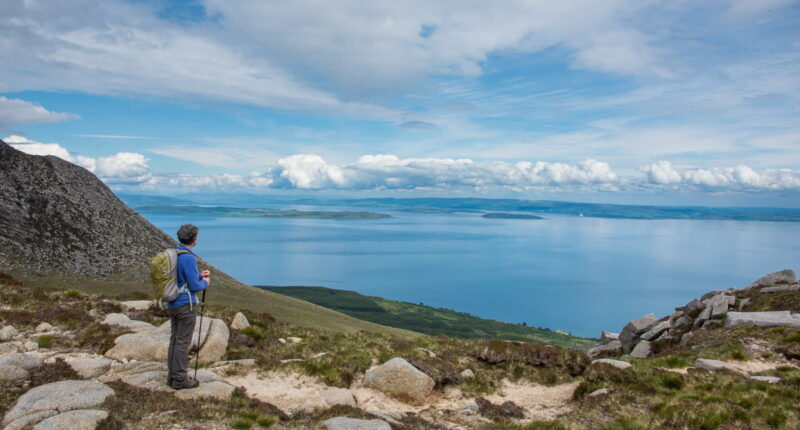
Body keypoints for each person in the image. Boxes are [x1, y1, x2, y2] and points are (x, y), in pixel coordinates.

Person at [167, 224, 210, 389]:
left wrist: (199, 275)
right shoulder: (189, 257)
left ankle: (172, 376)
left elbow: (182, 278)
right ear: (194, 239)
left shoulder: (175, 254)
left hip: (173, 303)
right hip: (185, 304)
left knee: (175, 340)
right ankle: (180, 379)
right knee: (183, 343)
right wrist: (205, 282)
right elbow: (194, 286)